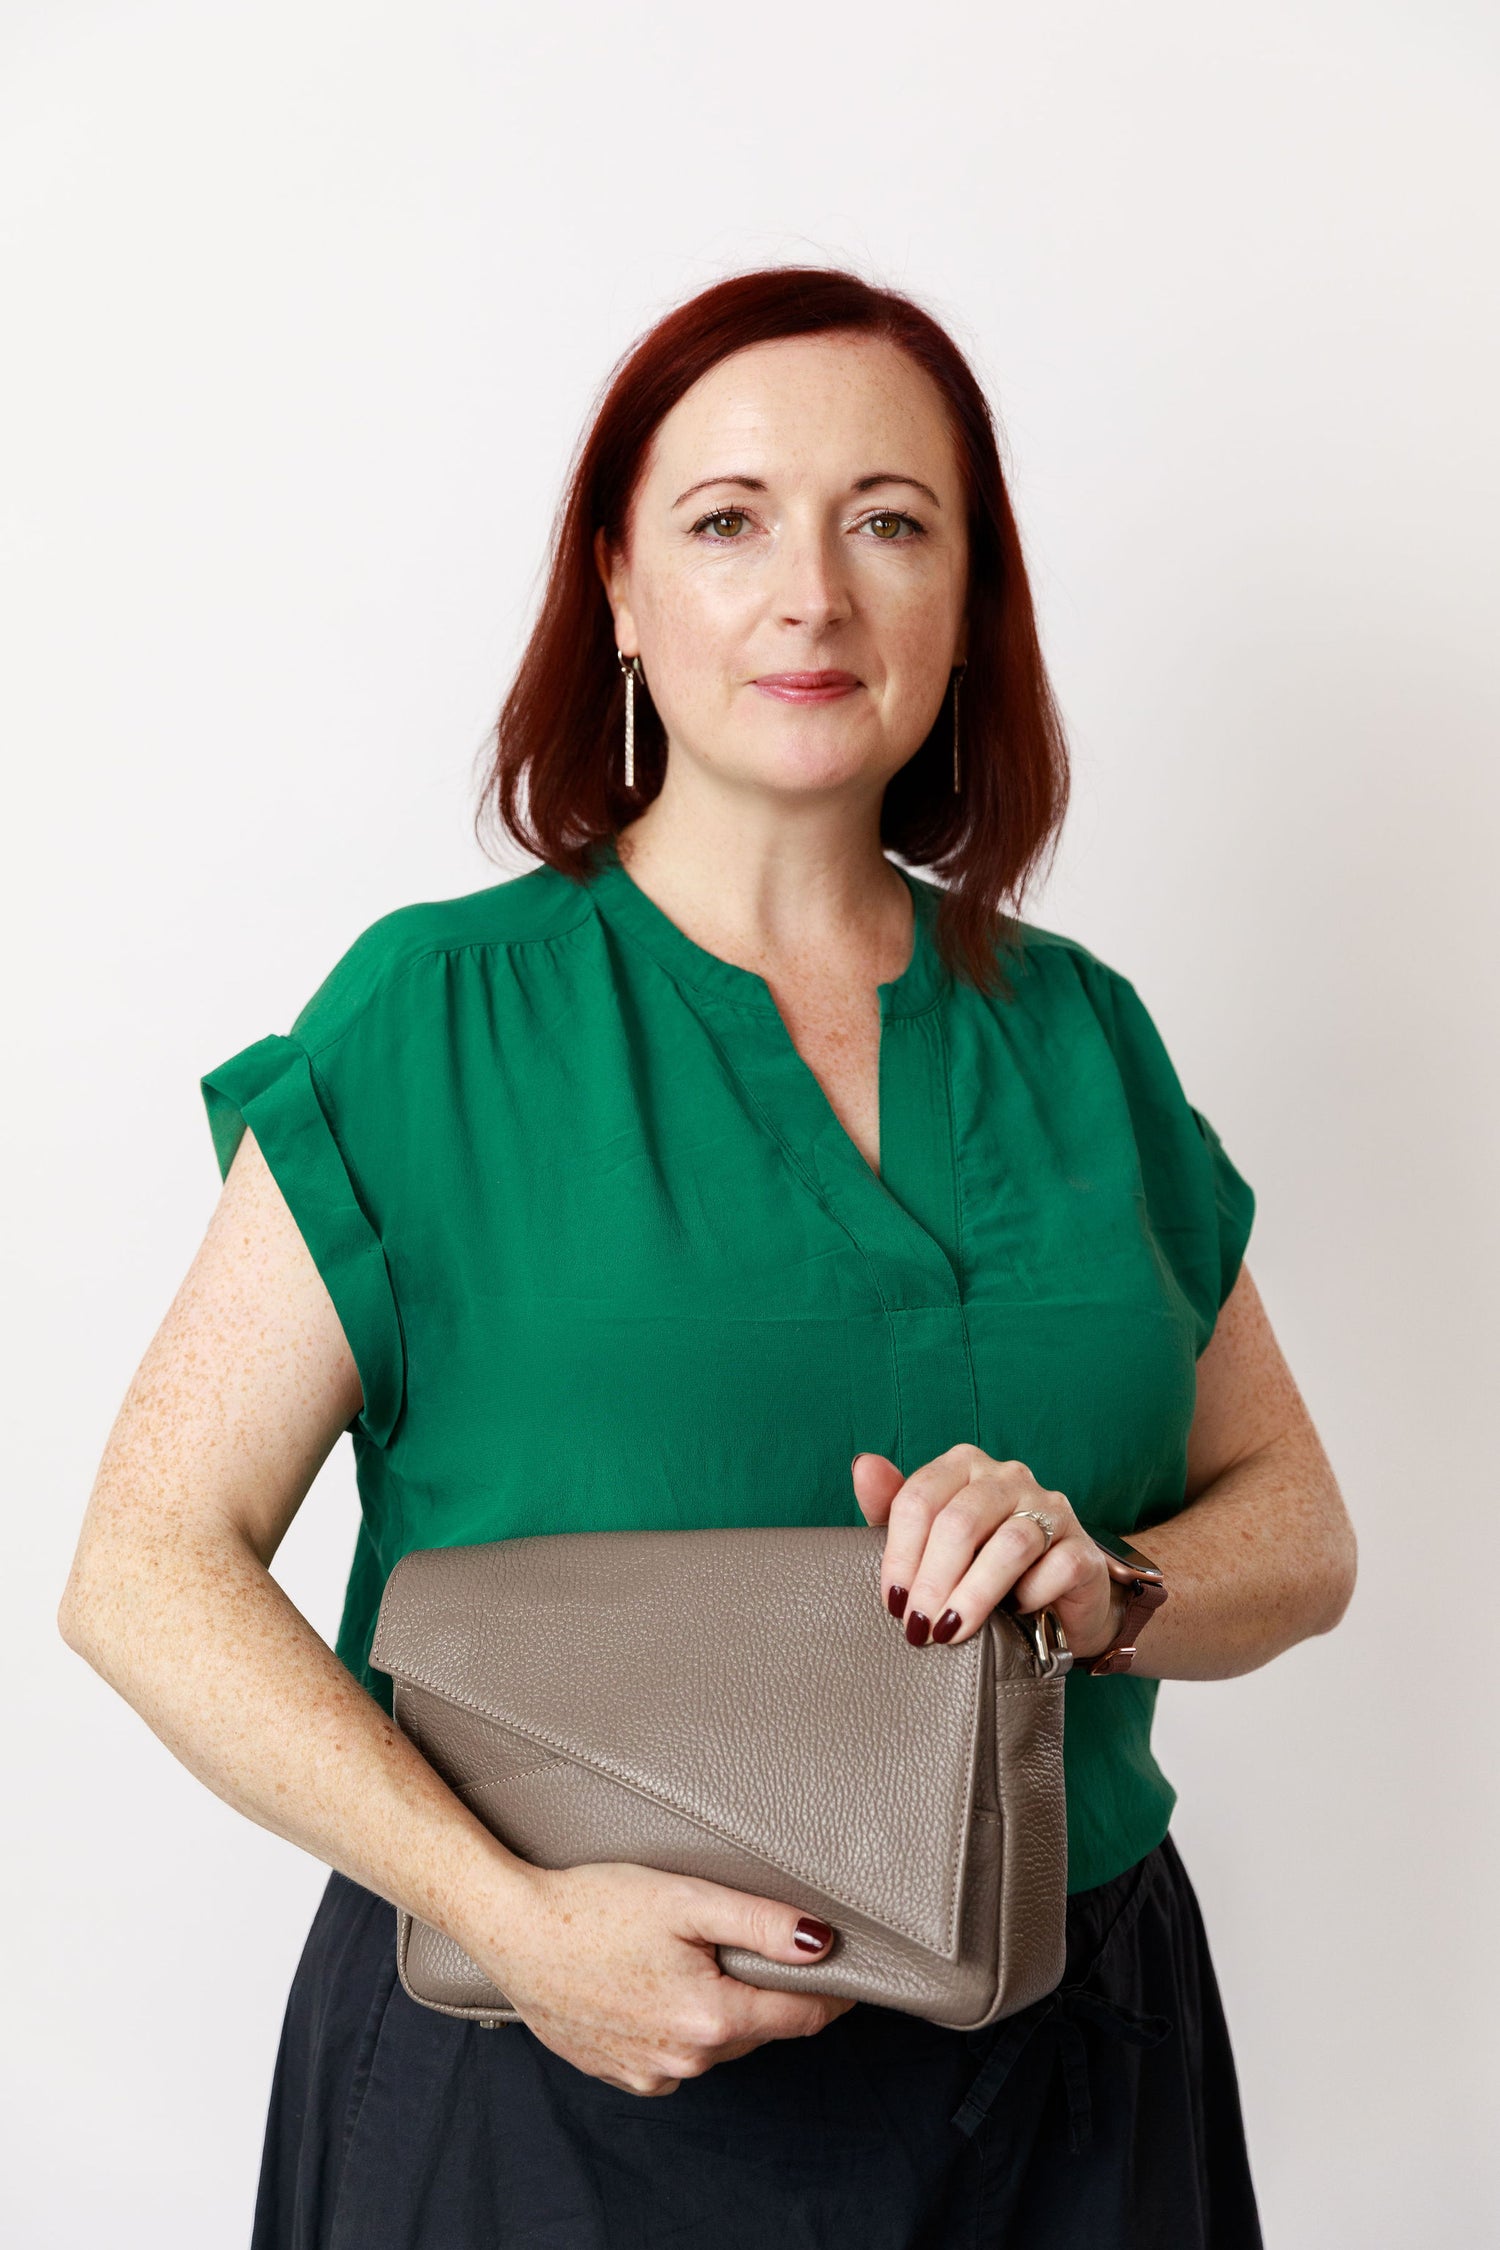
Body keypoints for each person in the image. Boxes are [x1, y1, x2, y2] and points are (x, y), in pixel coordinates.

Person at [59, 267, 1356, 2248]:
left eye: (890, 522)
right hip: (555, 2099)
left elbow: (1300, 1535)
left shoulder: (1085, 1040)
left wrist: (1108, 1585)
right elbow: (144, 1567)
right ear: (619, 591)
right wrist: (512, 1918)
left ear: (967, 599)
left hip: (1072, 2090)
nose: (813, 591)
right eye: (731, 519)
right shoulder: (433, 1025)